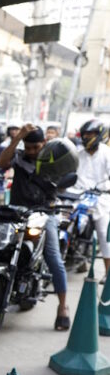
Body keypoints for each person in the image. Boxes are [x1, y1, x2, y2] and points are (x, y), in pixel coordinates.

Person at [0, 123, 71, 326]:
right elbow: (2, 162)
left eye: (35, 147)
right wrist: (18, 137)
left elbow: (66, 178)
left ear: (44, 144)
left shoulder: (52, 160)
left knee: (54, 259)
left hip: (43, 214)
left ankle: (63, 306)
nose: (31, 151)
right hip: (16, 213)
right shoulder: (19, 156)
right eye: (28, 147)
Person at [76, 119, 110, 279]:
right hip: (78, 198)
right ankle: (75, 258)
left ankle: (108, 272)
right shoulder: (78, 153)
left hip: (101, 198)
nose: (88, 136)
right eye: (86, 134)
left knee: (104, 234)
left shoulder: (106, 153)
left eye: (91, 134)